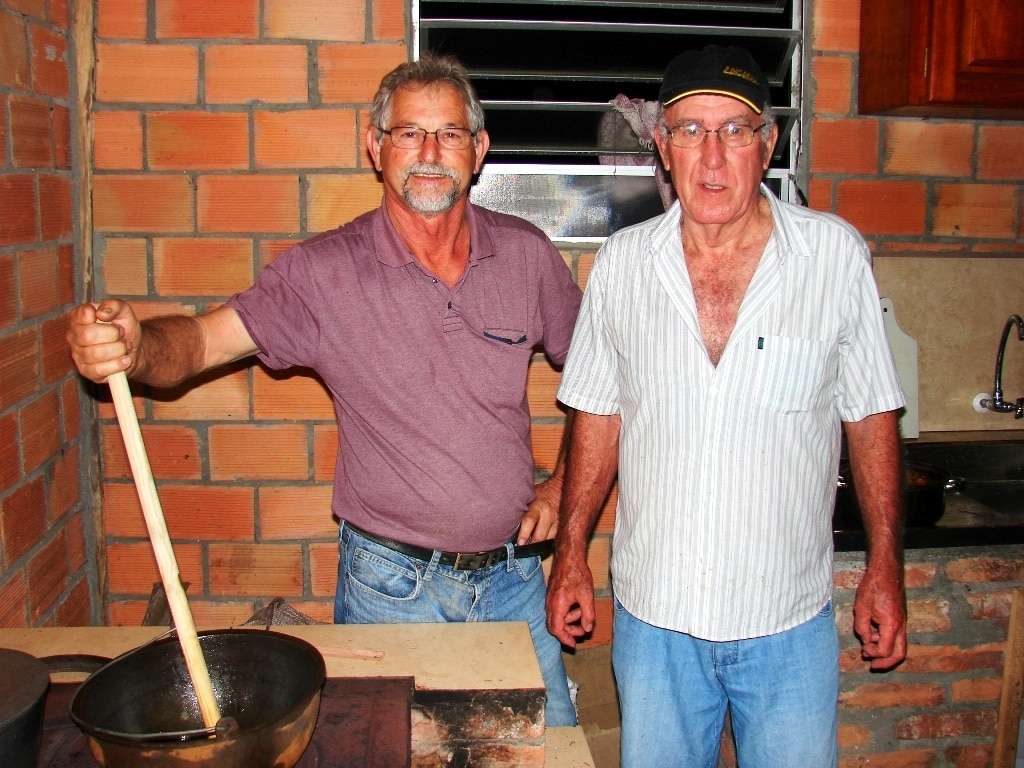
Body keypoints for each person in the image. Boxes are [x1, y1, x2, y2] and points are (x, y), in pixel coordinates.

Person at [68, 55, 580, 727]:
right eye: (408, 134)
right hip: (392, 589)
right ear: (375, 146)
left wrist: (562, 486)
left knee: (552, 749)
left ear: (479, 150)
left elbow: (604, 383)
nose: (429, 153)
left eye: (450, 134)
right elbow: (200, 344)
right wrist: (136, 346)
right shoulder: (323, 274)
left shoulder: (526, 257)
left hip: (515, 580)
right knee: (386, 748)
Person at [546, 44, 907, 765]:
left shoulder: (833, 257)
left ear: (767, 143)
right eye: (690, 130)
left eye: (734, 130)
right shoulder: (623, 265)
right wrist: (571, 556)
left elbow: (870, 416)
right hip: (657, 625)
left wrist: (884, 567)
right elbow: (596, 415)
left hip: (787, 623)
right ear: (663, 147)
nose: (712, 157)